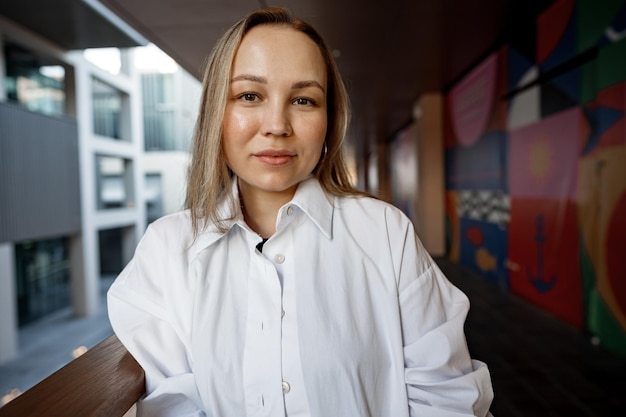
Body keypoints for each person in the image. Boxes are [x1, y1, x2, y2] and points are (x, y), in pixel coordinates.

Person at [108, 6, 494, 417]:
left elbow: (447, 399)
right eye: (249, 96)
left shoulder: (385, 232)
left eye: (304, 99)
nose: (277, 125)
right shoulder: (167, 250)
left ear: (329, 121)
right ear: (216, 114)